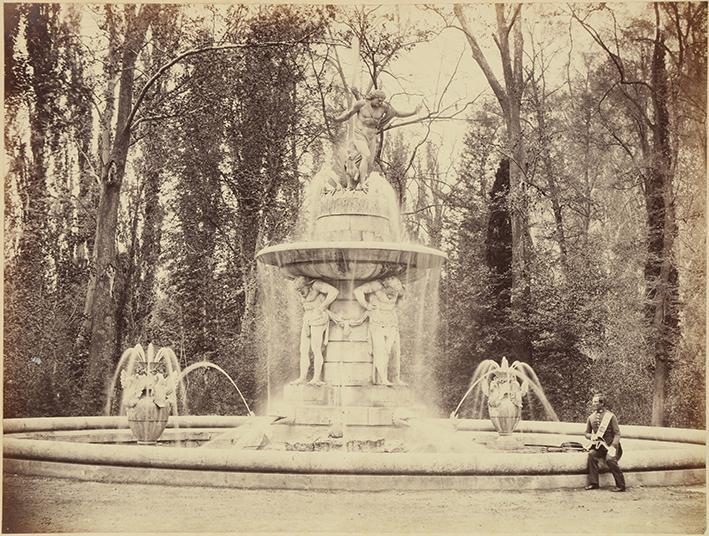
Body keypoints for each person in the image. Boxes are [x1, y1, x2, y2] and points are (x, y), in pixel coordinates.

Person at [332, 89, 420, 183]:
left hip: (371, 137)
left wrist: (413, 112)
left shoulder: (384, 107)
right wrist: (336, 119)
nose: (380, 103)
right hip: (359, 134)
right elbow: (348, 114)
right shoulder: (361, 104)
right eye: (379, 100)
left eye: (382, 100)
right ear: (372, 98)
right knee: (365, 155)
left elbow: (397, 113)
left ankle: (355, 177)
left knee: (369, 162)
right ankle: (362, 184)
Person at [353, 276, 406, 386]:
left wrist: (401, 298)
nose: (394, 292)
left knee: (395, 352)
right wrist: (366, 305)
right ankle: (383, 379)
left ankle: (396, 378)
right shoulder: (376, 285)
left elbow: (401, 300)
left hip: (392, 323)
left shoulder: (399, 289)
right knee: (380, 351)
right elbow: (357, 291)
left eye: (396, 290)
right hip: (377, 322)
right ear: (386, 285)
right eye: (392, 290)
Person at [291, 276, 339, 386]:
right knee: (303, 350)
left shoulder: (317, 285)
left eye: (301, 289)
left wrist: (323, 306)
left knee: (316, 349)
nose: (299, 292)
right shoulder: (303, 292)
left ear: (307, 285)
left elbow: (334, 292)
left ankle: (316, 378)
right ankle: (302, 377)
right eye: (297, 290)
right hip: (307, 319)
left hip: (318, 318)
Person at [584, 393, 626, 492]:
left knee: (610, 459)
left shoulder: (610, 416)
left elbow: (617, 433)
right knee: (591, 455)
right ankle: (594, 483)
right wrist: (592, 436)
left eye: (596, 402)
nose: (593, 404)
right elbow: (586, 433)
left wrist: (613, 446)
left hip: (611, 446)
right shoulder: (591, 417)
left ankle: (621, 485)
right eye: (593, 402)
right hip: (600, 447)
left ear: (602, 403)